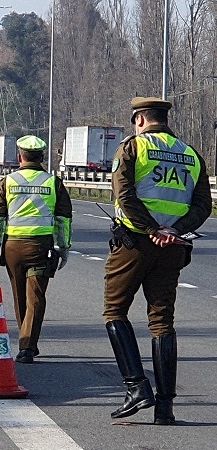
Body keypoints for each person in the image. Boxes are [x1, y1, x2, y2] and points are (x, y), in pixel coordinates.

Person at [103, 97, 212, 425]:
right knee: (162, 320)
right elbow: (203, 205)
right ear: (164, 119)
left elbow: (125, 196)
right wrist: (173, 230)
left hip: (135, 243)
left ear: (139, 119)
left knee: (114, 311)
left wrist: (152, 229)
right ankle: (165, 407)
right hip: (173, 247)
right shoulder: (191, 154)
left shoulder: (133, 148)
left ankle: (136, 387)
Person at [0, 135, 73, 364]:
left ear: (19, 156)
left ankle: (25, 340)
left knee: (19, 295)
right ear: (42, 157)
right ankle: (28, 346)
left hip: (13, 247)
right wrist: (63, 248)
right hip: (40, 247)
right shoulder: (53, 183)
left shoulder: (8, 181)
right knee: (36, 297)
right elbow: (63, 219)